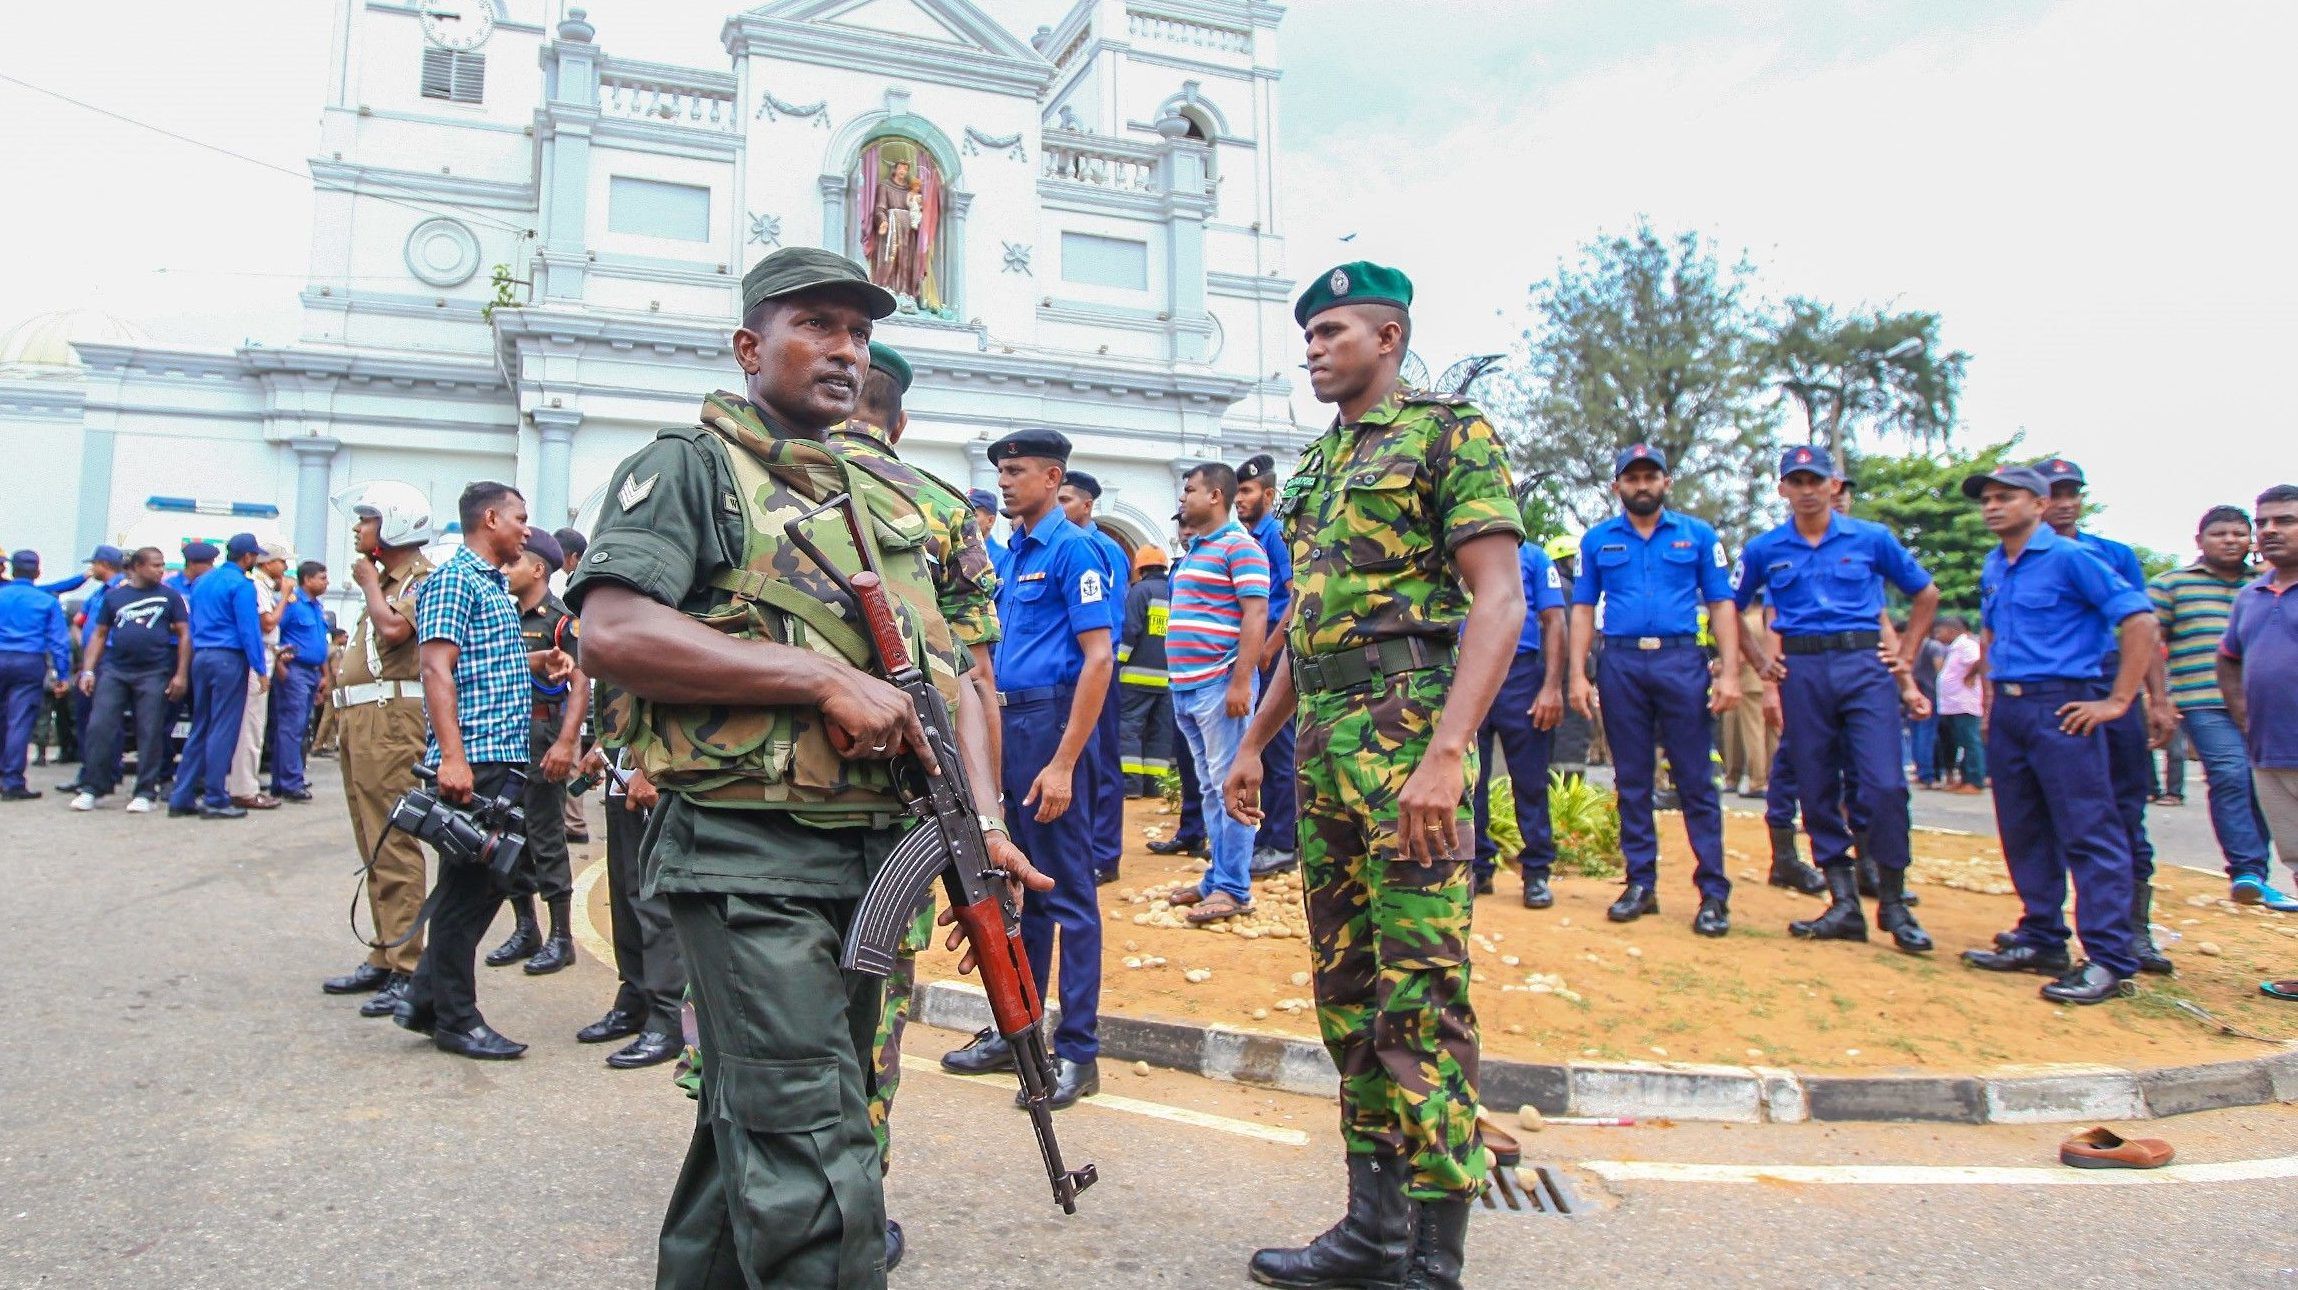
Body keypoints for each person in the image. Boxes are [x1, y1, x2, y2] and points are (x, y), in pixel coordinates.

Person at [572, 247, 1046, 1287]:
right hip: (753, 862)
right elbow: (608, 631)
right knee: (819, 1158)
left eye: (859, 333)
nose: (843, 350)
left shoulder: (883, 498)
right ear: (750, 347)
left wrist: (984, 826)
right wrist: (810, 677)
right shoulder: (691, 470)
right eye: (816, 327)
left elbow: (954, 671)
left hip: (870, 860)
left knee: (756, 1131)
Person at [1224, 262, 1524, 1290]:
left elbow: (1499, 602)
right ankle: (1371, 1231)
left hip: (1410, 744)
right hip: (1324, 747)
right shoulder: (1315, 469)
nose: (1313, 347)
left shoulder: (1449, 434)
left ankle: (1434, 1262)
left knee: (1424, 999)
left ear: (1388, 337)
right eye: (1306, 334)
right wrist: (1257, 742)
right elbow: (1311, 631)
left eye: (1333, 331)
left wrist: (1449, 755)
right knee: (1347, 992)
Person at [828, 337, 1005, 1216]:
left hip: (756, 804)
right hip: (897, 805)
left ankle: (750, 1193)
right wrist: (990, 828)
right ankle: (857, 1204)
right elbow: (977, 682)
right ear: (902, 419)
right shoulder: (938, 508)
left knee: (751, 1009)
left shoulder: (744, 485)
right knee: (869, 1007)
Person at [942, 427, 1112, 1114]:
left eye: (1017, 471)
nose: (1005, 482)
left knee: (1069, 896)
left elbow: (1099, 659)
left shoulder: (1076, 551)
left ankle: (1078, 1050)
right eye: (1001, 472)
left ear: (1052, 477)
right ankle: (1023, 1034)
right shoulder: (1007, 557)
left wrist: (1065, 763)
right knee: (1019, 886)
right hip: (1005, 722)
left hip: (1052, 724)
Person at [1957, 466, 2157, 1003]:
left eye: (2007, 497)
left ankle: (2111, 959)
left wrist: (2117, 700)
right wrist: (1991, 704)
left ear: (2040, 504)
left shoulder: (2072, 559)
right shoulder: (1997, 563)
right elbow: (1992, 634)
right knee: (2022, 826)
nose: (1993, 507)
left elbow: (2139, 619)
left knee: (2088, 829)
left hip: (2062, 703)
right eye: (1988, 500)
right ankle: (2042, 936)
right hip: (2011, 708)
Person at [1736, 446, 1939, 952]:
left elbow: (1925, 592)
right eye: (1796, 481)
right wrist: (1761, 664)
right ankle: (1844, 901)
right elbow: (1729, 606)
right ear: (1782, 489)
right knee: (1816, 784)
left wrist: (1906, 657)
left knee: (1885, 783)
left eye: (1816, 481)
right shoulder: (1764, 549)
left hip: (1863, 666)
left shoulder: (1871, 538)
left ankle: (1891, 900)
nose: (1807, 490)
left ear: (1834, 487)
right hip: (1802, 670)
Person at [390, 482, 542, 1060]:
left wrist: (534, 659)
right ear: (489, 518)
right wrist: (452, 758)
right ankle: (456, 1018)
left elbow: (478, 659)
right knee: (473, 891)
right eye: (519, 519)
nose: (526, 531)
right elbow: (435, 668)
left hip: (498, 756)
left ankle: (423, 999)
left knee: (474, 884)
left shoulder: (490, 586)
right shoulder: (454, 580)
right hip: (474, 759)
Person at [1568, 445, 1743, 933]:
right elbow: (1583, 607)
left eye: (1651, 477)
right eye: (1632, 478)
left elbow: (1722, 603)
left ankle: (1713, 893)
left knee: (1694, 779)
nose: (1641, 485)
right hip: (1620, 660)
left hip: (1681, 659)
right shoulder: (1598, 540)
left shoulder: (1699, 536)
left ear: (1667, 483)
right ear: (1616, 486)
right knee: (1632, 778)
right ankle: (1640, 884)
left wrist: (1729, 671)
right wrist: (1578, 675)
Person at [319, 483, 438, 1014]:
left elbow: (394, 631)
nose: (357, 527)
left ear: (393, 524)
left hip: (392, 721)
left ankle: (408, 964)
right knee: (372, 840)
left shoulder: (421, 580)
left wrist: (370, 585)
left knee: (393, 840)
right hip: (362, 716)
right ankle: (384, 953)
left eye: (366, 519)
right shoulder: (389, 579)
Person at [2154, 505, 2290, 905]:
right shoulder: (2171, 585)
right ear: (2199, 541)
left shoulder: (2272, 583)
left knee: (2262, 783)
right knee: (2230, 774)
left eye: (2238, 533)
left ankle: (2259, 873)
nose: (2230, 540)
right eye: (2219, 534)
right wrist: (2157, 699)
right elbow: (2149, 643)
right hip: (2204, 702)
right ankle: (2246, 870)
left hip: (2267, 707)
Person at [1160, 461, 1271, 925]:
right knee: (1210, 787)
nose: (1183, 498)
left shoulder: (1239, 547)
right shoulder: (1196, 550)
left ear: (1215, 497)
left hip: (1220, 683)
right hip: (1188, 686)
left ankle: (1233, 888)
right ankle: (1217, 877)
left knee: (1232, 789)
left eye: (1189, 490)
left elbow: (1256, 614)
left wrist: (1242, 682)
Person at [480, 527, 586, 977]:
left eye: (513, 563)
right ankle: (527, 928)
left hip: (543, 732)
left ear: (539, 568)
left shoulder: (560, 621)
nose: (505, 569)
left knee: (545, 835)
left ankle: (561, 936)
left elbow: (581, 682)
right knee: (506, 832)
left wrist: (566, 741)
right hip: (507, 733)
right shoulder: (504, 616)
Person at [1471, 510, 1569, 907]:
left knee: (1529, 779)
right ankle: (1477, 868)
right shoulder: (1458, 556)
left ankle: (1537, 872)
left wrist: (1551, 687)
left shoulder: (1533, 556)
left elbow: (1554, 621)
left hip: (1521, 677)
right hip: (1469, 675)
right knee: (1468, 779)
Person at [574, 731, 684, 1068]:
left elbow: (666, 693)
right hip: (622, 765)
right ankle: (636, 995)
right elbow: (620, 701)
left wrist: (652, 767)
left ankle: (669, 1018)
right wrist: (601, 744)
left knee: (655, 900)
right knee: (624, 889)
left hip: (657, 765)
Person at [2224, 485, 2298, 919]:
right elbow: (2228, 659)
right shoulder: (2250, 596)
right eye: (2263, 522)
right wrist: (2243, 716)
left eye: (2285, 520)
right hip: (2269, 751)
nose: (2269, 530)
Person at [72, 547, 190, 812]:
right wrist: (88, 670)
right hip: (115, 670)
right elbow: (100, 635)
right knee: (99, 726)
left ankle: (145, 791)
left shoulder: (170, 597)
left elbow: (184, 635)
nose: (161, 570)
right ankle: (93, 787)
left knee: (149, 731)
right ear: (136, 566)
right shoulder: (115, 597)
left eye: (162, 565)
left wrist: (181, 674)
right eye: (155, 566)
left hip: (154, 671)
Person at [1057, 470, 1130, 887]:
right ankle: (1084, 847)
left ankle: (1105, 854)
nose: (1061, 507)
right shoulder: (1061, 546)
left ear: (1087, 505)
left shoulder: (1102, 549)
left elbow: (1111, 621)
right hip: (1073, 677)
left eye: (1067, 500)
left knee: (1102, 761)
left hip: (1098, 670)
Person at [167, 534, 269, 820]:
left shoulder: (201, 582)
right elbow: (249, 630)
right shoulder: (242, 585)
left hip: (202, 657)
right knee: (224, 728)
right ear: (247, 557)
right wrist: (260, 669)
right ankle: (215, 797)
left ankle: (181, 795)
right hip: (229, 658)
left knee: (201, 726)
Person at [1234, 452, 1301, 876]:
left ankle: (1282, 843)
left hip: (1276, 651)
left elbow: (1297, 596)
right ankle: (1270, 836)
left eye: (1247, 491)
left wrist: (1270, 647)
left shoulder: (1275, 534)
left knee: (1279, 749)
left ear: (1269, 494)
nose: (1240, 499)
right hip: (1262, 651)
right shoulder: (1252, 536)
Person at [222, 542, 290, 811]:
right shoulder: (257, 585)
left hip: (265, 653)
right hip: (258, 656)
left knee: (253, 725)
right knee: (251, 725)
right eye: (282, 562)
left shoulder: (260, 585)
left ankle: (244, 783)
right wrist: (284, 595)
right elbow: (267, 623)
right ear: (267, 563)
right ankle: (244, 788)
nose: (285, 568)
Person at [0, 551, 71, 801]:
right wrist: (63, 675)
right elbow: (59, 642)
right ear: (38, 573)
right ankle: (11, 781)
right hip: (28, 663)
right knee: (19, 722)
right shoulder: (45, 601)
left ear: (12, 571)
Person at [269, 560, 331, 802]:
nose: (326, 583)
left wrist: (324, 675)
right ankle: (289, 782)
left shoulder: (316, 607)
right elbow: (274, 633)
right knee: (291, 727)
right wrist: (280, 662)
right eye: (322, 578)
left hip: (312, 671)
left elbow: (319, 643)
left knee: (298, 727)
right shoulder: (293, 605)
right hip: (294, 670)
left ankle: (284, 780)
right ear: (307, 579)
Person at [1117, 543, 1174, 797]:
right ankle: (1155, 788)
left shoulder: (1139, 591)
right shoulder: (1174, 590)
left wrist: (1118, 661)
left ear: (1139, 569)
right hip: (1169, 677)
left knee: (1129, 727)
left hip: (1136, 676)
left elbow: (1130, 629)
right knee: (1160, 732)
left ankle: (1131, 786)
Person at [1933, 616, 1987, 793]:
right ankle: (1965, 778)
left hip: (1964, 703)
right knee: (1961, 742)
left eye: (1939, 631)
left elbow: (1980, 659)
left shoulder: (1966, 645)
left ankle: (1975, 780)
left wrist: (1970, 675)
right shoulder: (1954, 648)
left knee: (1970, 742)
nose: (1936, 636)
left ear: (1950, 630)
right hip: (1953, 704)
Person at [969, 487, 1008, 573]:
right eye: (964, 513)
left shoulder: (1002, 558)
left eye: (973, 515)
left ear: (990, 521)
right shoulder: (955, 552)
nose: (967, 519)